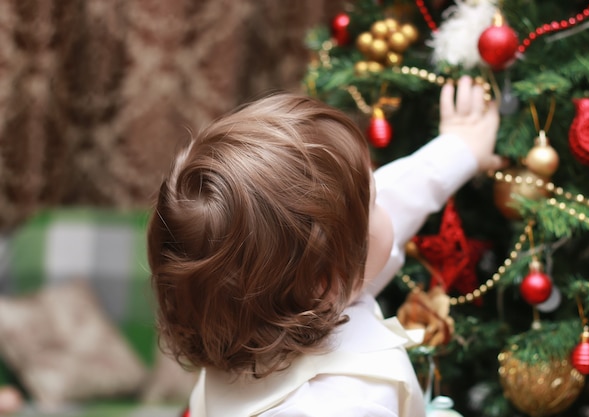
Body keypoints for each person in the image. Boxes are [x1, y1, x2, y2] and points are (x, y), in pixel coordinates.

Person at [146, 75, 503, 417]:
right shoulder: (344, 406)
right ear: (325, 282)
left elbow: (401, 194)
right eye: (373, 201)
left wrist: (460, 149)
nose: (384, 201)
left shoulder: (276, 307)